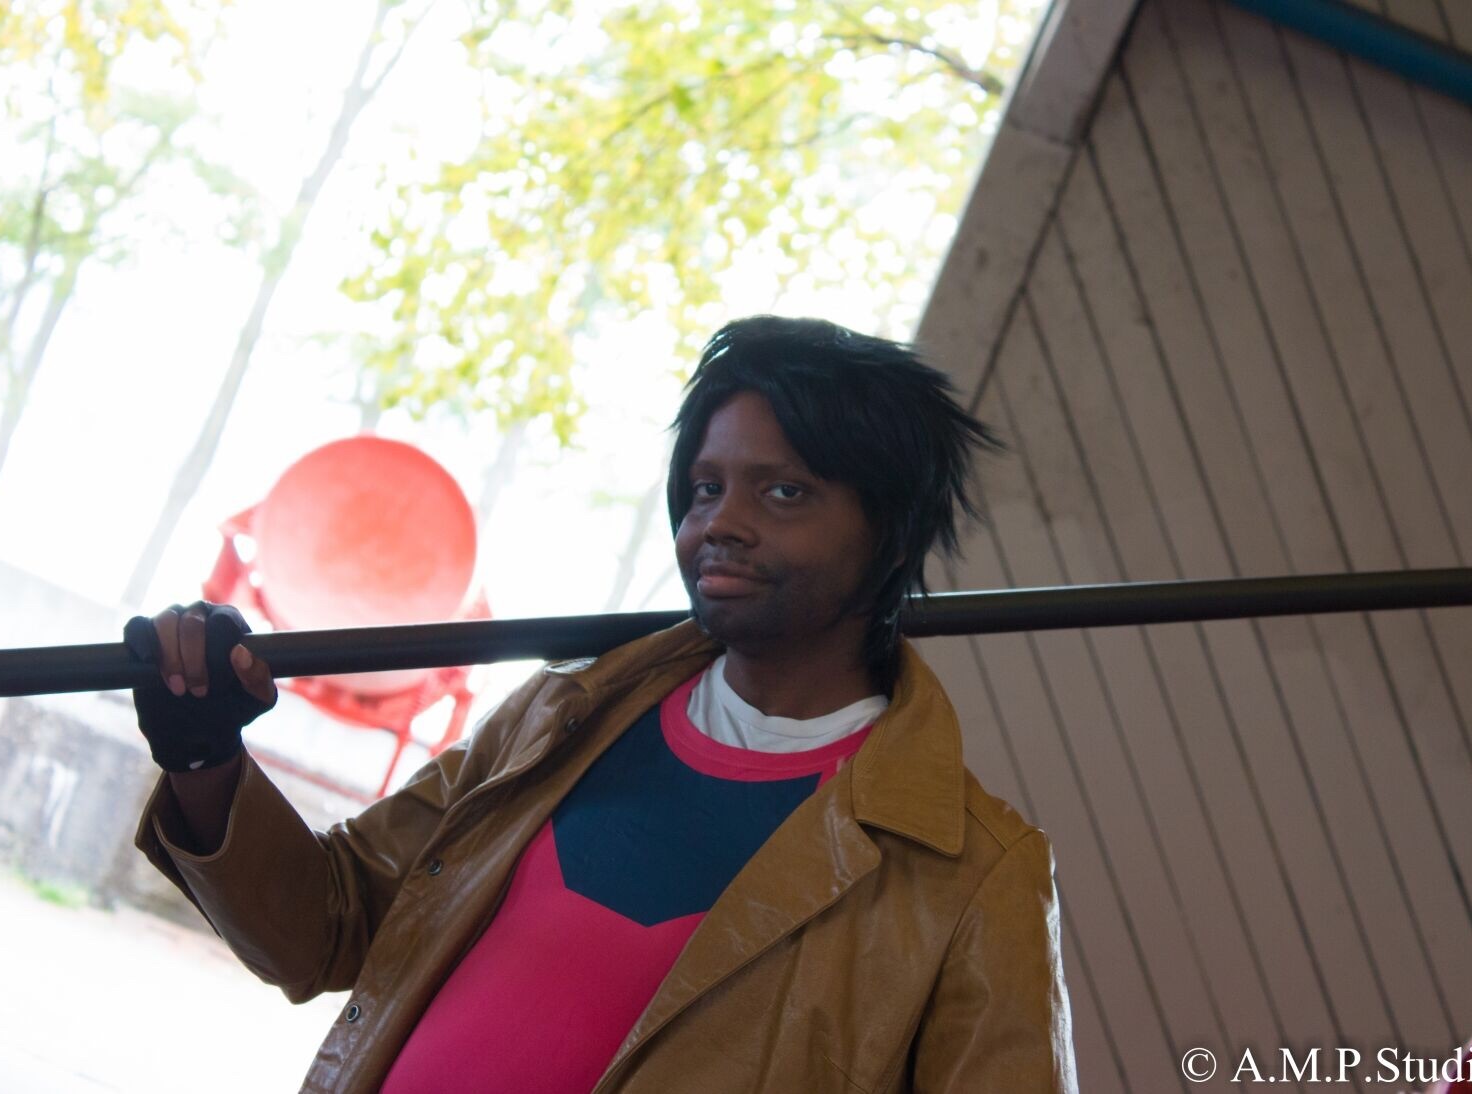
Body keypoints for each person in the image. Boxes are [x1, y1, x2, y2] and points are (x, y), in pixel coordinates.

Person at [128, 316, 1079, 1093]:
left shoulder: (967, 879)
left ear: (890, 536)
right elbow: (324, 929)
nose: (721, 523)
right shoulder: (559, 719)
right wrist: (205, 759)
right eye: (706, 487)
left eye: (785, 492)